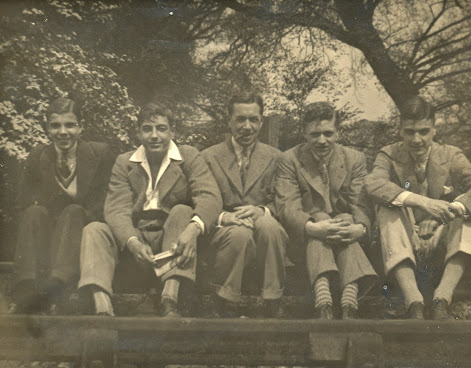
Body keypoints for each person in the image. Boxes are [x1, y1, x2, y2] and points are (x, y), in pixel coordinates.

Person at [78, 102, 221, 317]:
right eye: (147, 129)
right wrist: (132, 241)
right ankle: (102, 306)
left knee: (182, 210)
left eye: (161, 129)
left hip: (172, 236)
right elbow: (117, 208)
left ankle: (170, 298)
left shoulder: (188, 157)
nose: (154, 136)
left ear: (172, 131)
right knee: (94, 229)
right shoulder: (125, 162)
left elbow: (210, 196)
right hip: (136, 240)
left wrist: (193, 230)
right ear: (138, 133)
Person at [365, 96, 471, 319]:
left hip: (443, 243)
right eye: (410, 132)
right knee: (388, 204)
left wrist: (449, 212)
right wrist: (424, 202)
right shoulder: (389, 154)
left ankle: (441, 299)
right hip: (404, 243)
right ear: (400, 131)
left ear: (434, 130)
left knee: (470, 202)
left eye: (424, 131)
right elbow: (373, 184)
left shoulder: (450, 154)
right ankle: (413, 301)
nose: (417, 139)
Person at [11, 98, 115, 314]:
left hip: (82, 231)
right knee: (33, 211)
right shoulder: (38, 156)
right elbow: (23, 204)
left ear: (81, 126)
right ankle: (26, 289)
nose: (63, 132)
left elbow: (104, 203)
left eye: (70, 125)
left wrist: (73, 219)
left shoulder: (99, 154)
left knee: (73, 211)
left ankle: (56, 289)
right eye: (55, 125)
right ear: (48, 128)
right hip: (49, 233)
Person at [275, 102, 377, 320]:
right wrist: (312, 227)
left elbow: (359, 204)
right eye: (315, 134)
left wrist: (359, 228)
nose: (322, 140)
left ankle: (346, 298)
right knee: (320, 216)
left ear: (337, 132)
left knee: (344, 218)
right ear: (304, 133)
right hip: (304, 240)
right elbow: (287, 206)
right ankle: (324, 295)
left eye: (328, 133)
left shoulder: (355, 159)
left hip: (345, 234)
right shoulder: (289, 160)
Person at [202, 91, 287, 318]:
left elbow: (286, 201)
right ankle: (223, 300)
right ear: (229, 120)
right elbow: (199, 200)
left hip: (262, 233)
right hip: (223, 232)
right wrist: (222, 217)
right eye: (240, 119)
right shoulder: (208, 157)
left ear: (261, 121)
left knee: (269, 226)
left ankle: (272, 300)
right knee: (238, 234)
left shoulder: (277, 158)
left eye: (253, 120)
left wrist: (262, 211)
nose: (247, 126)